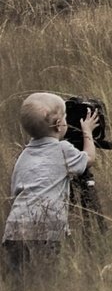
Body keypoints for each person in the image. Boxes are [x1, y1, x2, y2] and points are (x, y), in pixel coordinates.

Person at [3, 92, 98, 280]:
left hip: (14, 229)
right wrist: (87, 131)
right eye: (65, 118)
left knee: (19, 281)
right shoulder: (62, 150)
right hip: (46, 230)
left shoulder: (23, 155)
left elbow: (15, 190)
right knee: (45, 276)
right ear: (58, 125)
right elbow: (89, 159)